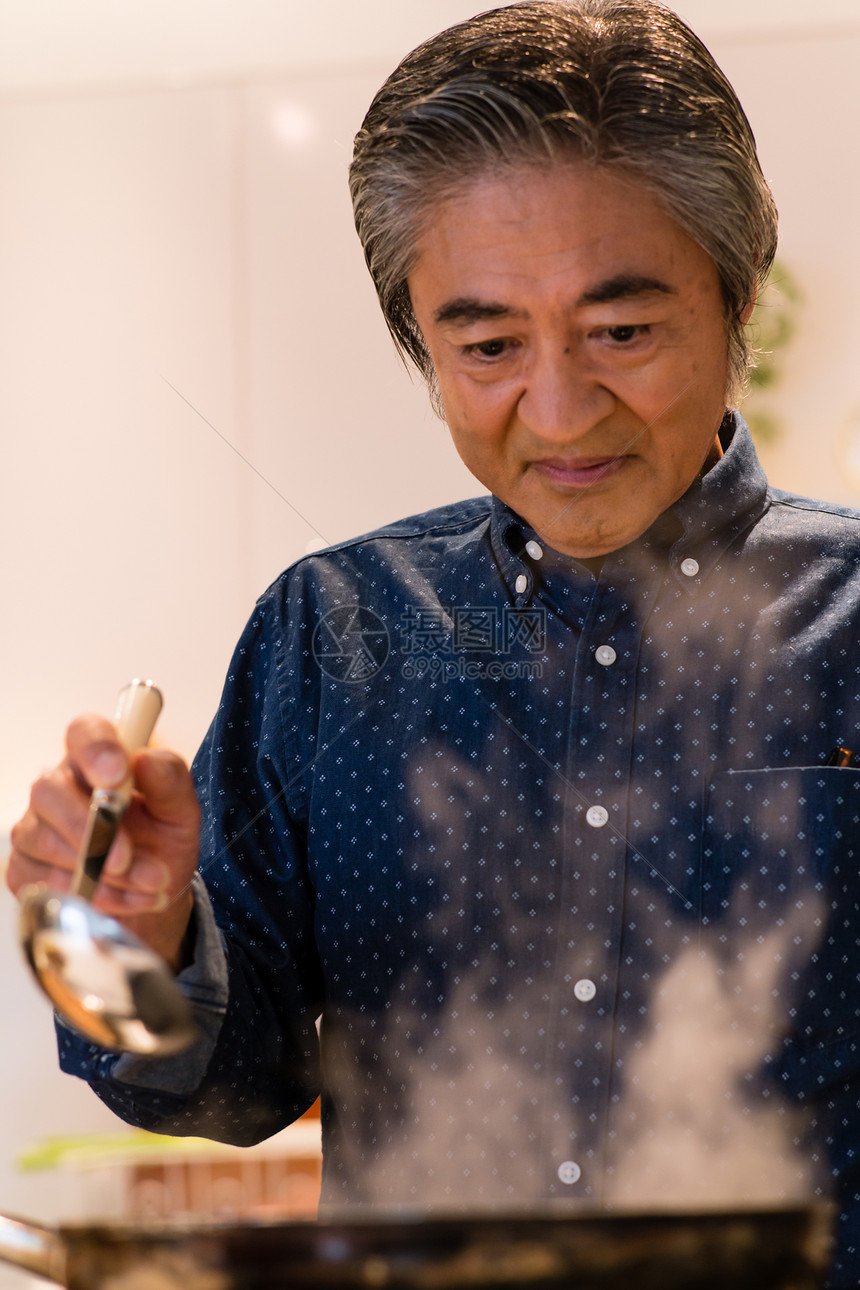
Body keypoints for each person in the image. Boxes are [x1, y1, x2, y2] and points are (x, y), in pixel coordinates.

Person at [8, 0, 860, 1283]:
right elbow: (219, 1096)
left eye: (621, 331)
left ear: (735, 297)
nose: (560, 410)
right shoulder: (330, 635)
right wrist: (122, 942)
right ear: (421, 345)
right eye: (488, 345)